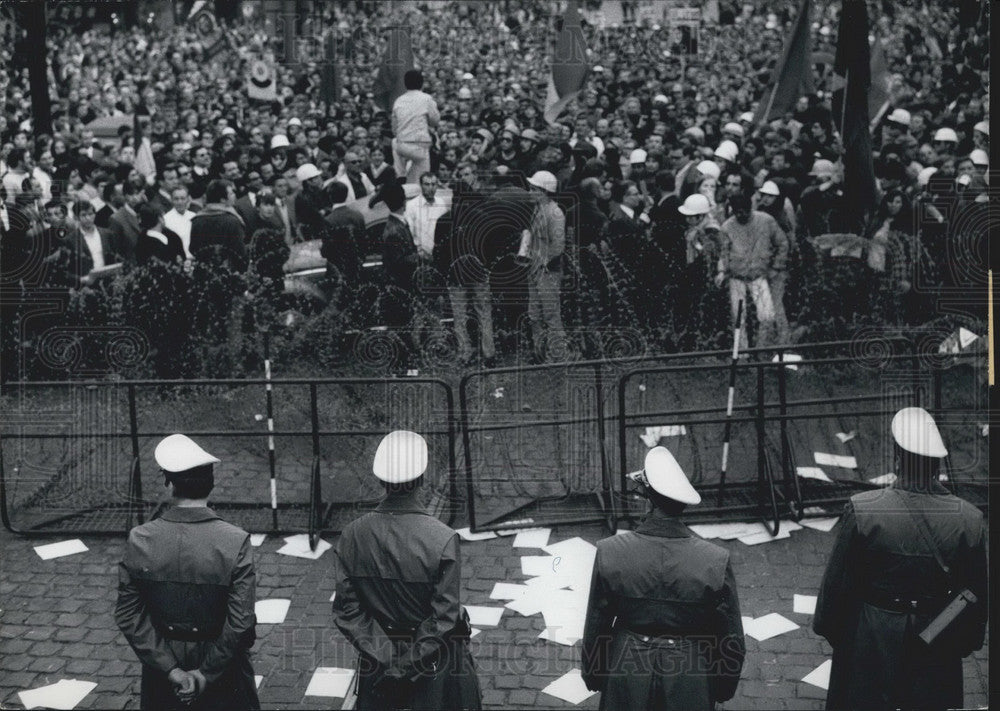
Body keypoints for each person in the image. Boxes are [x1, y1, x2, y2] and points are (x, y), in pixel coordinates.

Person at [814, 407, 987, 711]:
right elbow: (971, 596)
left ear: (897, 457)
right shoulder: (970, 520)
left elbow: (838, 588)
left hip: (872, 635)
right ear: (937, 464)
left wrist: (840, 635)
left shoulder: (863, 510)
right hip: (935, 636)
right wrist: (941, 632)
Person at [583, 446, 745, 709]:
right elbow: (730, 639)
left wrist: (595, 674)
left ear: (648, 501)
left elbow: (597, 624)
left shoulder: (609, 552)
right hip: (688, 676)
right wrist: (722, 686)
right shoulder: (715, 560)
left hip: (627, 670)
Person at [333, 430, 482, 710]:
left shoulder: (352, 535)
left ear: (380, 480)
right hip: (434, 667)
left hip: (378, 663)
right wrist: (406, 665)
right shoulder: (442, 538)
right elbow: (443, 618)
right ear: (422, 479)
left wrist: (389, 660)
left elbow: (348, 611)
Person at [115, 434, 260, 710]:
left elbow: (128, 614)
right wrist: (206, 673)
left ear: (169, 484)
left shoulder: (139, 539)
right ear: (211, 484)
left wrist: (171, 669)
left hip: (163, 662)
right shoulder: (235, 541)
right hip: (224, 666)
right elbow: (241, 622)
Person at [715, 192, 787, 350]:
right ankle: (742, 354)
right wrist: (721, 271)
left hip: (758, 276)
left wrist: (776, 266)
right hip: (737, 277)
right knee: (739, 319)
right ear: (733, 210)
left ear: (750, 208)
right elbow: (724, 253)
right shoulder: (726, 227)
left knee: (767, 315)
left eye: (745, 211)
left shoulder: (766, 220)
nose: (742, 214)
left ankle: (762, 350)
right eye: (738, 211)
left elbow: (782, 243)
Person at [392, 70, 440, 183]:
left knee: (395, 143)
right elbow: (435, 121)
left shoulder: (398, 100)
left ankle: (401, 175)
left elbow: (394, 129)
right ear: (422, 83)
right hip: (420, 146)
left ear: (405, 84)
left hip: (402, 145)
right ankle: (406, 180)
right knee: (422, 180)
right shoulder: (426, 98)